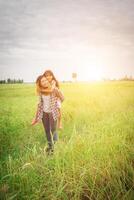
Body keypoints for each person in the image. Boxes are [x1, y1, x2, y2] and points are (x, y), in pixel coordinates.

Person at [31, 75, 64, 154]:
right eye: (42, 81)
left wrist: (57, 92)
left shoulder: (54, 89)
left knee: (53, 130)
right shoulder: (41, 91)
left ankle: (55, 147)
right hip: (44, 113)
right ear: (40, 84)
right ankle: (50, 146)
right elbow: (39, 105)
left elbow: (62, 98)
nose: (45, 82)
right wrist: (35, 119)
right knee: (46, 130)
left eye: (45, 80)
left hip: (52, 113)